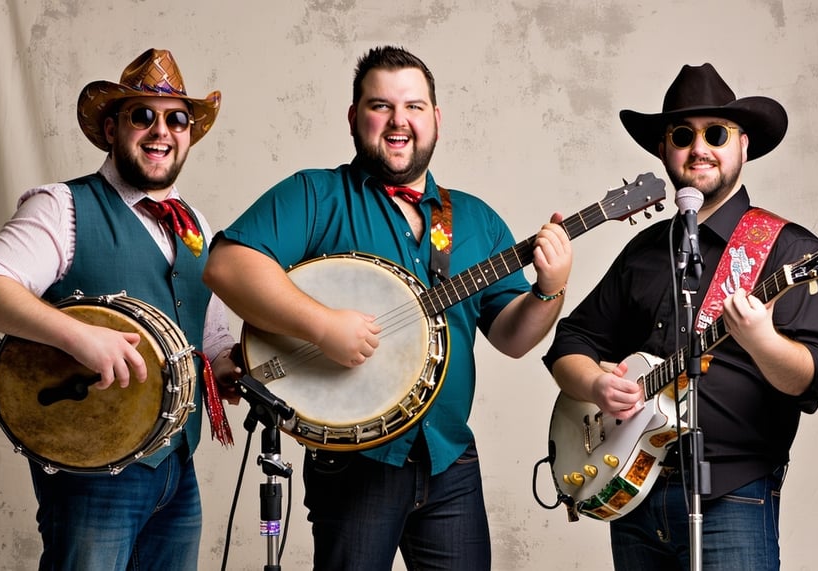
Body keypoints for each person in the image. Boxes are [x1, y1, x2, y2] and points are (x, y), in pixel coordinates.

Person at [203, 45, 572, 570]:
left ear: (436, 119)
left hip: (449, 460)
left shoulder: (473, 219)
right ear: (355, 118)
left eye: (414, 107)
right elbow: (226, 266)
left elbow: (512, 338)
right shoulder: (317, 195)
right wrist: (324, 326)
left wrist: (548, 289)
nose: (399, 121)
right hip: (354, 463)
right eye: (381, 106)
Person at [0, 48, 241, 570]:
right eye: (142, 116)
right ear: (111, 129)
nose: (161, 131)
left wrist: (229, 365)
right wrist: (76, 335)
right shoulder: (62, 206)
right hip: (89, 468)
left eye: (177, 119)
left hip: (177, 467)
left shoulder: (195, 223)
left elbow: (209, 336)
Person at [543, 63, 818, 570]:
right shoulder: (643, 251)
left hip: (734, 495)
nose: (698, 147)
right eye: (683, 135)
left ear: (742, 145)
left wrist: (763, 340)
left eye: (716, 134)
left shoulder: (790, 250)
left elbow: (815, 379)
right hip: (634, 488)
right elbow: (569, 341)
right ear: (664, 150)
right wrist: (596, 386)